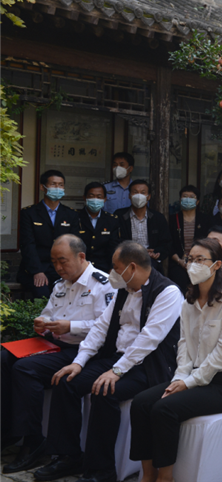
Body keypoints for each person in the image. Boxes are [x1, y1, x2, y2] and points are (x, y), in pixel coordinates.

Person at [39, 241, 182, 482]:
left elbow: (149, 339)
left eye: (116, 268)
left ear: (132, 267)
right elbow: (101, 327)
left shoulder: (167, 292)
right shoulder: (123, 289)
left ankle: (102, 470)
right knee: (67, 380)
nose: (111, 272)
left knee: (105, 390)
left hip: (149, 365)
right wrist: (79, 362)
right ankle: (68, 456)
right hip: (118, 358)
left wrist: (116, 371)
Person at [130, 238, 222, 482]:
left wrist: (188, 383)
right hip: (195, 377)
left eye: (200, 260)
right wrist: (179, 378)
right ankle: (147, 475)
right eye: (190, 259)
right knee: (141, 403)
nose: (193, 264)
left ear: (217, 264)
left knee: (164, 409)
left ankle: (166, 477)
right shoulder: (189, 301)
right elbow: (184, 344)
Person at [1, 235, 115, 475]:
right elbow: (49, 312)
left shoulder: (103, 284)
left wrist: (71, 326)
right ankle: (7, 432)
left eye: (62, 261)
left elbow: (105, 327)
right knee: (3, 357)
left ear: (81, 257)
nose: (58, 267)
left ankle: (33, 441)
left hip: (83, 350)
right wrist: (42, 322)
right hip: (55, 344)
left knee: (25, 368)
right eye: (53, 262)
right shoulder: (61, 284)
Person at [18, 170, 80, 298]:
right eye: (53, 184)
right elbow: (28, 244)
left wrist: (70, 271)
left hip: (63, 269)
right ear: (43, 187)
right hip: (37, 269)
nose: (57, 188)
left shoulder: (71, 214)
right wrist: (37, 271)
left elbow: (74, 245)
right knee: (42, 295)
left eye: (61, 185)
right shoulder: (29, 213)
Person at [115, 180, 171, 274]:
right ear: (129, 196)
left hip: (150, 261)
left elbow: (166, 243)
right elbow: (115, 241)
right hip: (126, 259)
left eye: (143, 192)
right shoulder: (119, 216)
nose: (139, 195)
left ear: (148, 196)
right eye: (135, 192)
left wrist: (156, 253)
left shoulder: (158, 218)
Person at [168, 185, 213, 293]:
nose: (188, 199)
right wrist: (180, 261)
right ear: (180, 199)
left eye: (192, 197)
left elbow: (209, 243)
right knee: (180, 283)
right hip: (178, 262)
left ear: (197, 202)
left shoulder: (206, 220)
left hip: (201, 262)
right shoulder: (172, 219)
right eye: (185, 196)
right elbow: (168, 244)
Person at [78, 182, 121, 274]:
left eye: (99, 197)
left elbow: (113, 248)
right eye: (91, 196)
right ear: (84, 198)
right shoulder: (76, 218)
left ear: (105, 199)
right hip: (80, 267)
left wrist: (112, 267)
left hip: (104, 268)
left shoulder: (111, 220)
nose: (95, 199)